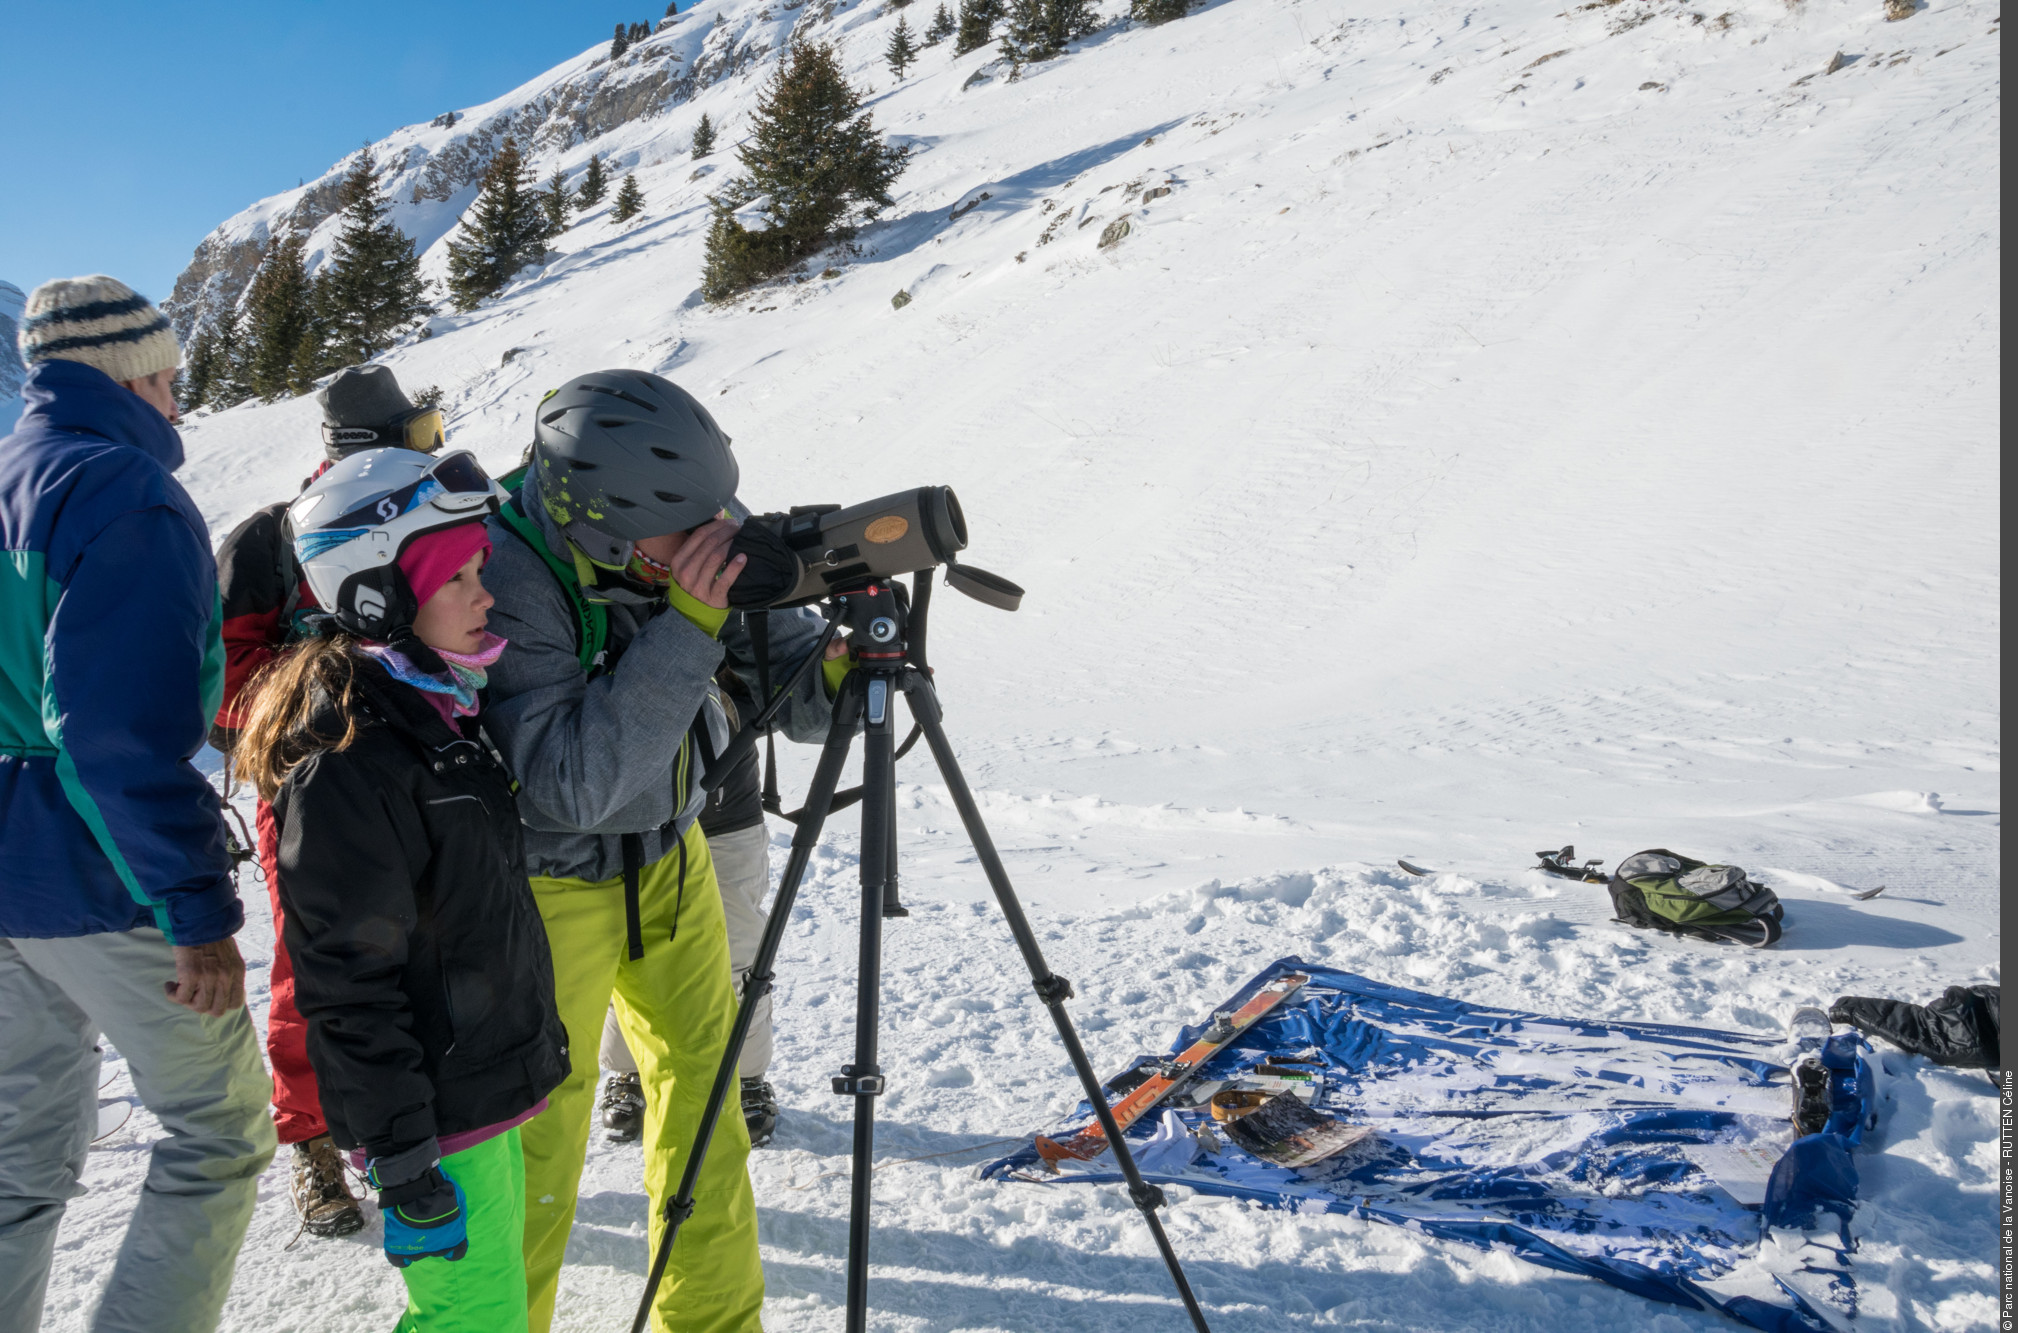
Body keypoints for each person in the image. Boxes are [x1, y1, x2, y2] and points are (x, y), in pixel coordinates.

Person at [483, 369, 836, 1332]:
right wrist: (689, 623)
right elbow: (571, 784)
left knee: (707, 1116)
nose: (712, 539)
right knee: (536, 1150)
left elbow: (788, 684)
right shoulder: (506, 574)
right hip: (544, 887)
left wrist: (843, 666)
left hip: (670, 863)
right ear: (597, 521)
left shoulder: (685, 514)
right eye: (685, 532)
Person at [234, 446, 569, 1331]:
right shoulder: (352, 760)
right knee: (470, 1319)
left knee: (486, 1309)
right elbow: (345, 977)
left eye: (480, 569)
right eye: (457, 577)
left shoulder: (436, 711)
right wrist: (403, 1150)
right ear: (379, 594)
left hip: (476, 1092)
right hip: (434, 1118)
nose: (486, 595)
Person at [0, 275, 276, 1331]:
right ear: (135, 373)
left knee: (15, 1165)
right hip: (94, 874)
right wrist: (195, 912)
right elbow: (113, 734)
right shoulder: (125, 493)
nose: (178, 404)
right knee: (217, 1133)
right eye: (171, 379)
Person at [210, 363, 446, 1238]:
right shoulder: (274, 541)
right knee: (316, 966)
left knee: (437, 944)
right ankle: (311, 1142)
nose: (430, 452)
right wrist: (314, 715)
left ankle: (420, 1124)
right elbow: (220, 682)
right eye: (415, 437)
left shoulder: (430, 514)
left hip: (431, 775)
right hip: (313, 788)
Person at [596, 663, 805, 1149]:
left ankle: (747, 1078)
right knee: (626, 952)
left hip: (726, 819)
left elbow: (798, 696)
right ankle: (628, 1074)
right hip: (631, 817)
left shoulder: (743, 605)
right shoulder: (612, 599)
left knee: (739, 961)